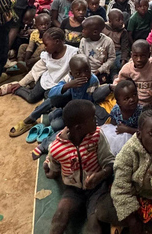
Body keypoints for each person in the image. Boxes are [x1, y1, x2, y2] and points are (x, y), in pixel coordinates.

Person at [96, 110, 152, 234]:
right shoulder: (127, 152)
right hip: (131, 194)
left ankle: (135, 225)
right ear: (140, 133)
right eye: (151, 133)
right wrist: (132, 219)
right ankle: (150, 227)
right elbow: (121, 186)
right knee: (102, 211)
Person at [45, 99, 114, 234]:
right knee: (60, 216)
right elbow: (54, 166)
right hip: (73, 190)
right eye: (92, 119)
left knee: (94, 226)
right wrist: (51, 172)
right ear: (79, 127)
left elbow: (109, 161)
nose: (96, 120)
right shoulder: (57, 148)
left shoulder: (97, 136)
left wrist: (100, 175)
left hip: (97, 188)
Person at [6, 28, 78, 134]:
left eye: (46, 44)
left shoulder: (73, 54)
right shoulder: (47, 55)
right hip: (46, 80)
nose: (44, 47)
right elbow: (36, 69)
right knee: (31, 98)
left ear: (57, 42)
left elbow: (71, 75)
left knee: (51, 97)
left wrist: (59, 87)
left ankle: (39, 113)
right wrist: (21, 83)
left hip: (60, 84)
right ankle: (16, 88)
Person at [114, 40, 152, 106]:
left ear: (149, 55)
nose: (139, 59)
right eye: (135, 56)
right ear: (131, 55)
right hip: (134, 103)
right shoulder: (127, 69)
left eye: (143, 56)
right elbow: (118, 86)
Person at [101, 79, 143, 156]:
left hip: (136, 140)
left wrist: (127, 130)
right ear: (118, 102)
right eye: (126, 98)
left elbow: (143, 133)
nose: (132, 99)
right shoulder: (116, 110)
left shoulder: (141, 112)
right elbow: (112, 126)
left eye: (134, 95)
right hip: (119, 139)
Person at [79, 16, 115, 83]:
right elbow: (81, 57)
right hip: (86, 71)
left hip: (101, 71)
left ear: (95, 32)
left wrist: (99, 70)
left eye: (84, 29)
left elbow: (112, 58)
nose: (82, 31)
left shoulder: (108, 41)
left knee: (101, 85)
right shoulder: (83, 41)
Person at [103, 9, 131, 78]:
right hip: (104, 51)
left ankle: (116, 78)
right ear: (110, 21)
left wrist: (124, 59)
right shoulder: (103, 28)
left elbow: (125, 47)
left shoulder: (123, 32)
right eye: (118, 20)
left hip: (117, 52)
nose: (121, 22)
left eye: (122, 19)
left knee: (118, 64)